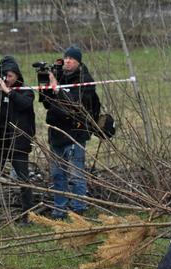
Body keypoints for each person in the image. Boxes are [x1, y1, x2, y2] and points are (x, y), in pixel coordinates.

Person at [40, 45, 98, 219]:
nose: (67, 61)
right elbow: (46, 103)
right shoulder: (59, 76)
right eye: (66, 58)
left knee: (76, 174)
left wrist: (58, 89)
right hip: (56, 133)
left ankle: (78, 209)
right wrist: (46, 86)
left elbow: (75, 106)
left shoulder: (85, 80)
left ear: (78, 62)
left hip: (75, 133)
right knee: (58, 175)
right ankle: (60, 209)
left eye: (71, 58)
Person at [0, 56, 35, 223]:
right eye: (5, 76)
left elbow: (24, 104)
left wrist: (8, 92)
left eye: (10, 76)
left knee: (24, 180)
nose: (8, 79)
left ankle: (27, 216)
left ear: (17, 76)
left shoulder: (25, 91)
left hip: (18, 143)